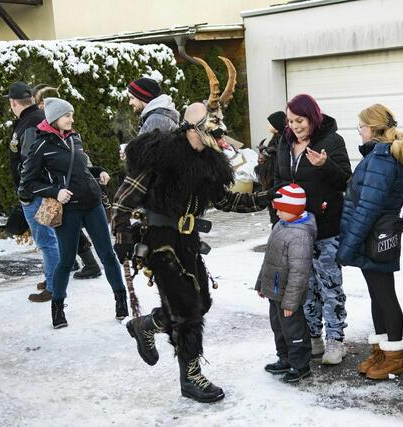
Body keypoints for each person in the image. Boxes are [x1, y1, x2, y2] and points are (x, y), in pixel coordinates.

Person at [112, 91, 274, 402]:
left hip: (188, 242)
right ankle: (190, 377)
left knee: (201, 302)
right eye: (211, 124)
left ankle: (147, 325)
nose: (218, 130)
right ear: (192, 127)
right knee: (187, 312)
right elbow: (123, 199)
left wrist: (267, 198)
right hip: (159, 241)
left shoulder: (209, 162)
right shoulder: (161, 155)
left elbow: (226, 201)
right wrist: (123, 237)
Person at [19, 98, 128, 329]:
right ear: (54, 118)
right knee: (66, 261)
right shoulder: (40, 145)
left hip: (93, 204)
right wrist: (55, 192)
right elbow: (27, 183)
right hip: (68, 211)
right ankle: (58, 308)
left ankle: (121, 301)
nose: (72, 119)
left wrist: (99, 172)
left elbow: (82, 168)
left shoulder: (74, 138)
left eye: (72, 114)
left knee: (108, 255)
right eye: (67, 115)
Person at [336, 103, 403, 379]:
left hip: (375, 236)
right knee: (378, 294)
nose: (359, 132)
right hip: (375, 236)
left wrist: (349, 245)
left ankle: (395, 358)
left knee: (385, 295)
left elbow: (368, 207)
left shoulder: (382, 159)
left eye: (361, 127)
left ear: (373, 128)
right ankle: (382, 352)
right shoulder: (380, 155)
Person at [275, 93, 352, 364]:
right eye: (290, 121)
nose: (295, 126)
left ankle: (336, 340)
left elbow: (345, 180)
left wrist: (325, 165)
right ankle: (313, 337)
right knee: (304, 286)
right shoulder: (284, 143)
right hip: (295, 230)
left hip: (325, 227)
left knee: (329, 285)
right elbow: (279, 181)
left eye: (300, 120)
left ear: (312, 117)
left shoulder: (331, 141)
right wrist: (278, 217)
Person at [32, 83, 101, 280]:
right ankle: (78, 262)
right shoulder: (53, 127)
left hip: (61, 189)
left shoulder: (53, 127)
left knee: (63, 226)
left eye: (41, 102)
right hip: (61, 188)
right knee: (66, 227)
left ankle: (73, 268)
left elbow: (79, 159)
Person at [256, 183, 316, 383]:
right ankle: (285, 358)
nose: (277, 212)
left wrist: (291, 302)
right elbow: (269, 259)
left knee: (294, 330)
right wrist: (260, 283)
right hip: (274, 291)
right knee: (279, 328)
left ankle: (301, 366)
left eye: (280, 209)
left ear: (293, 209)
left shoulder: (300, 236)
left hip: (288, 296)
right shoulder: (280, 225)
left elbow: (299, 273)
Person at [6, 81, 58, 302]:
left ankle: (54, 287)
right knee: (49, 239)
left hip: (34, 192)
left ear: (13, 102)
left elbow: (29, 162)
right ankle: (52, 277)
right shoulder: (35, 118)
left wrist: (25, 192)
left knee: (46, 241)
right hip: (40, 189)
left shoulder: (29, 122)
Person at [255, 111, 286, 224]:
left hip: (274, 181)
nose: (268, 125)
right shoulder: (276, 140)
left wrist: (268, 153)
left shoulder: (281, 141)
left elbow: (275, 160)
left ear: (277, 127)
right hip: (271, 180)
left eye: (271, 123)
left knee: (276, 211)